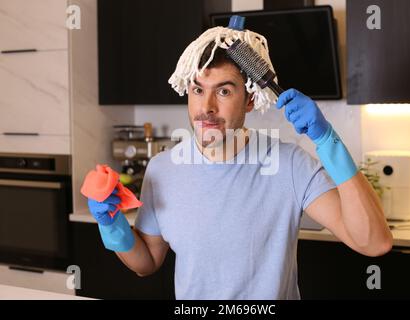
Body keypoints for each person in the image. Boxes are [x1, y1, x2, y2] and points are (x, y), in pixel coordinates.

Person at [87, 24, 392, 299]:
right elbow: (147, 263)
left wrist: (328, 142)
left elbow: (374, 243)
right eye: (197, 89)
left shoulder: (289, 164)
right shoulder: (162, 169)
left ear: (249, 100)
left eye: (223, 90)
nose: (206, 107)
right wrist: (112, 225)